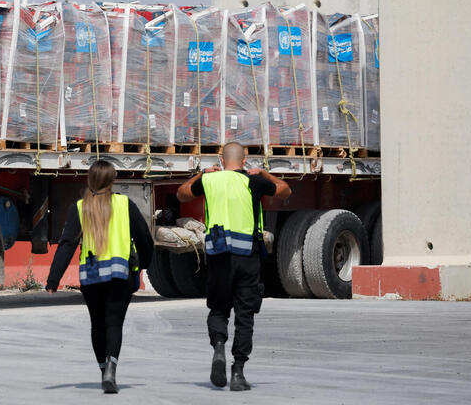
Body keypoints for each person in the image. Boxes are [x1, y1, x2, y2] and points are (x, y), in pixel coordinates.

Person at [176, 142, 291, 392]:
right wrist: (263, 173)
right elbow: (284, 190)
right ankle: (238, 372)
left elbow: (182, 193)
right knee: (245, 315)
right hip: (247, 257)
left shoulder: (211, 180)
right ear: (245, 158)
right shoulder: (254, 181)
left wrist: (202, 174)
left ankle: (218, 345)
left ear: (221, 158)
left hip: (218, 256)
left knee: (218, 308)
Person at [46, 160, 153, 394]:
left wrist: (54, 279)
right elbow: (144, 237)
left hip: (92, 276)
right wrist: (144, 263)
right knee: (114, 323)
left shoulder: (80, 207)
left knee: (98, 325)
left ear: (89, 180)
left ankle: (102, 369)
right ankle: (111, 371)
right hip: (120, 275)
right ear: (113, 180)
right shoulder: (126, 204)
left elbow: (67, 244)